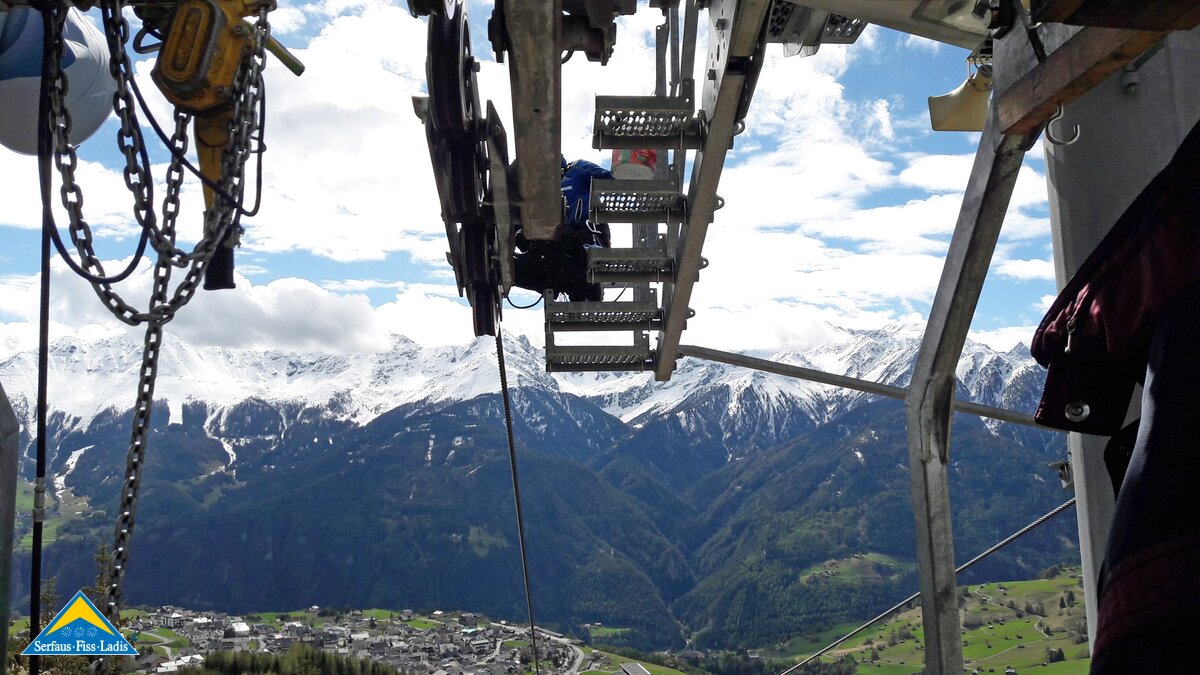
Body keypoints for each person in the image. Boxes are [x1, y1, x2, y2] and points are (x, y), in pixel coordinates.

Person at [512, 157, 612, 303]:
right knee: (510, 266)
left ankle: (586, 285)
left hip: (584, 237)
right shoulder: (533, 199)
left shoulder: (577, 169)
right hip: (556, 261)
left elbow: (609, 178)